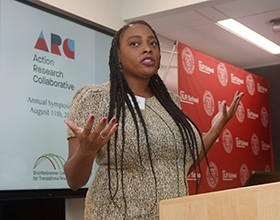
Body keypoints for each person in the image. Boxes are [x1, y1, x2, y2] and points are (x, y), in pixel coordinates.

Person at [64, 20, 244, 219]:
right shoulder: (96, 98)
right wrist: (86, 151)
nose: (147, 49)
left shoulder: (170, 102)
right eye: (135, 43)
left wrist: (215, 129)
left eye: (153, 44)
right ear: (117, 56)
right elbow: (74, 180)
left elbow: (179, 166)